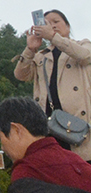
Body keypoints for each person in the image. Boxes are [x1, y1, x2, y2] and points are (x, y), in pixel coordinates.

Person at [14, 9, 91, 160]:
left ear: (68, 26)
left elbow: (84, 56)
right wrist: (30, 49)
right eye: (47, 23)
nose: (52, 26)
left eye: (56, 22)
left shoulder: (82, 45)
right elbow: (21, 75)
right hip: (52, 124)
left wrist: (53, 37)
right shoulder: (41, 56)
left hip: (79, 123)